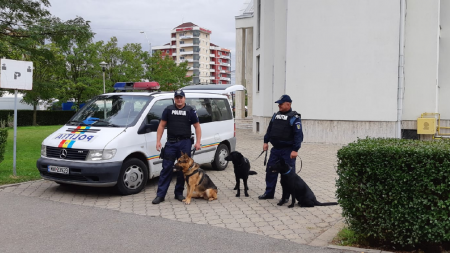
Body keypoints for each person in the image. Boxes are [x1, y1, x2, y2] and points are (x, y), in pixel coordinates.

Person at [152, 89, 201, 204]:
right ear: (175, 98)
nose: (179, 99)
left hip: (185, 143)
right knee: (166, 168)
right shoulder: (168, 110)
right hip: (171, 143)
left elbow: (197, 127)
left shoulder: (190, 110)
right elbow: (161, 125)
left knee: (182, 170)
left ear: (184, 98)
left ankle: (178, 193)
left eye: (181, 97)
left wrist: (198, 142)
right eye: (177, 97)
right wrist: (158, 141)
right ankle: (160, 195)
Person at [258, 94, 304, 200]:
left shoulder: (294, 118)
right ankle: (269, 193)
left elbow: (298, 135)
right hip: (276, 150)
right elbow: (270, 130)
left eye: (281, 104)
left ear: (289, 104)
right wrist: (266, 142)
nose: (279, 106)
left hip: (288, 151)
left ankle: (286, 196)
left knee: (287, 175)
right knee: (270, 171)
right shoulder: (276, 116)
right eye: (278, 105)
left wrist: (295, 150)